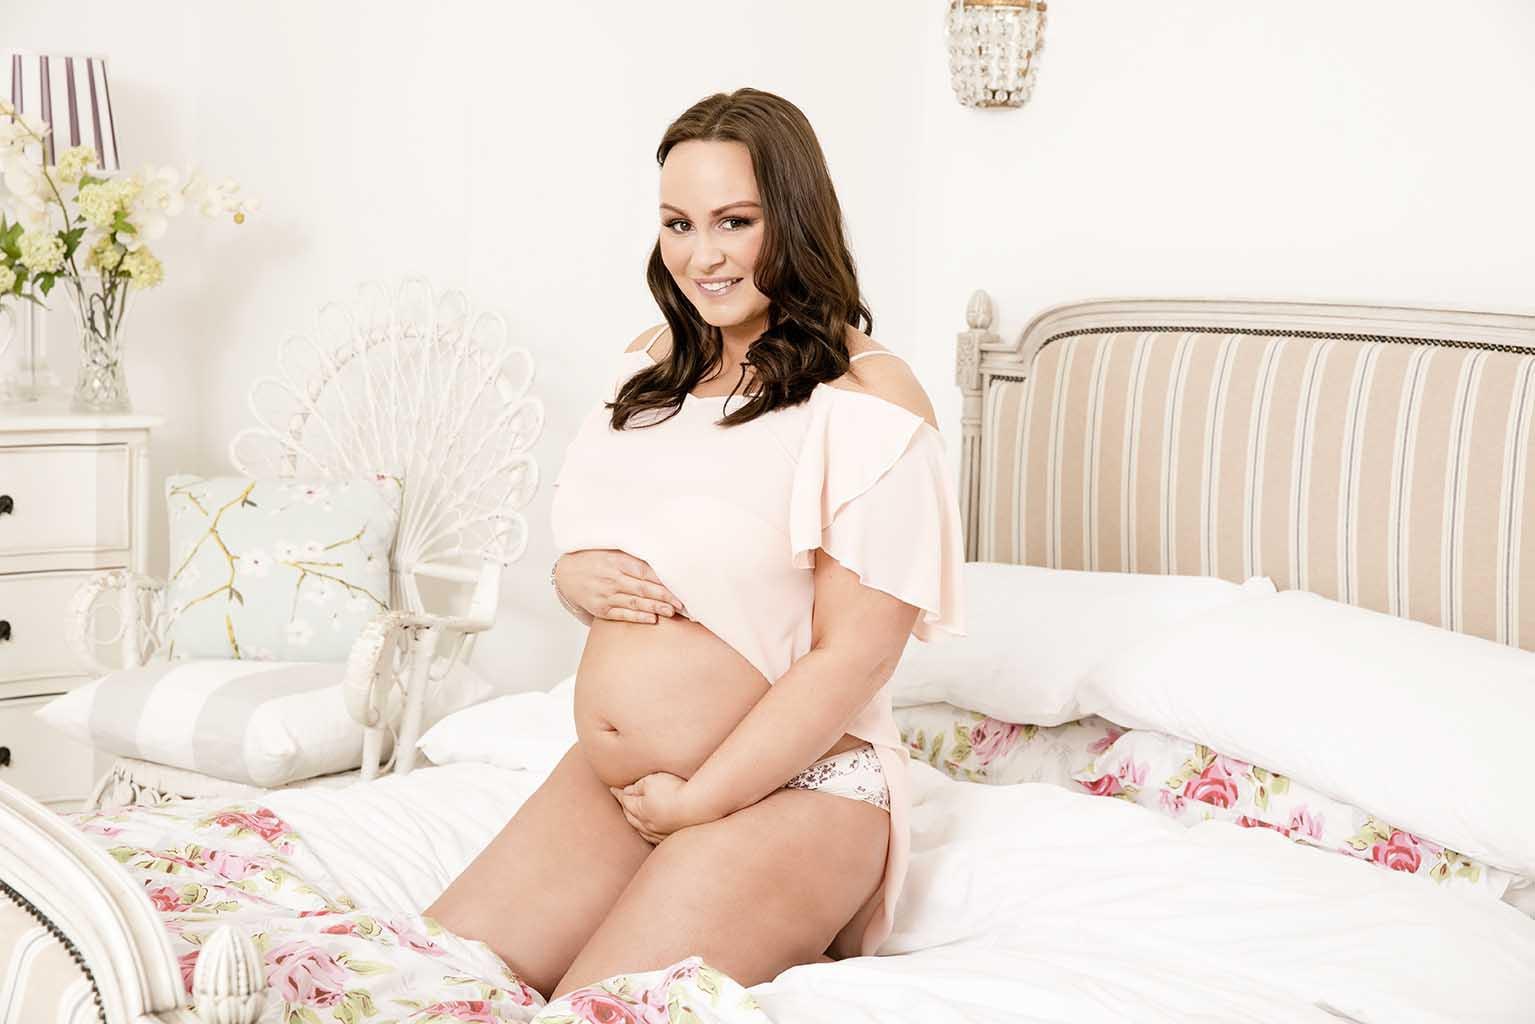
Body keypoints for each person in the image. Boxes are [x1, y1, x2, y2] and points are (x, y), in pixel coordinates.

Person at [426, 87, 965, 1001]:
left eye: (734, 222)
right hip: (628, 785)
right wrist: (571, 578)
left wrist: (701, 802)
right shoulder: (652, 367)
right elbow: (636, 544)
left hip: (792, 788)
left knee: (598, 1014)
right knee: (422, 985)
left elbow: (855, 656)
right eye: (678, 223)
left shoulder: (865, 400)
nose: (701, 256)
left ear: (794, 219)